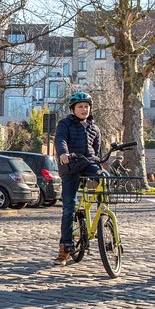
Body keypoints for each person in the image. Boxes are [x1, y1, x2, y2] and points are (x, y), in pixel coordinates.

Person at [53, 91, 101, 266]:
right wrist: (63, 153)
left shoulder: (94, 128)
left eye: (87, 106)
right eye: (80, 106)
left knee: (104, 177)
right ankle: (64, 249)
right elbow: (60, 140)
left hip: (88, 163)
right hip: (71, 166)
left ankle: (103, 216)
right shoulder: (64, 123)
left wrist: (101, 167)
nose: (84, 109)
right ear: (73, 109)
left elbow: (97, 151)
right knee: (68, 208)